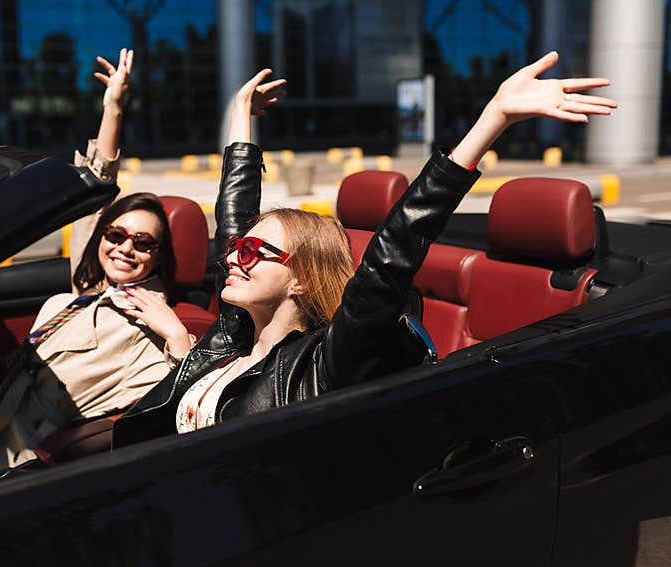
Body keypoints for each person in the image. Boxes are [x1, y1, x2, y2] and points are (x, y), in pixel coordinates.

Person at [112, 51, 617, 445]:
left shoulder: (324, 363)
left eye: (251, 254)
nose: (232, 260)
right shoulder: (233, 334)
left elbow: (390, 257)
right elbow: (233, 216)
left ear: (302, 279)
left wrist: (494, 118)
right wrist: (241, 116)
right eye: (236, 251)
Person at [0, 49, 194, 489]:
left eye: (143, 243)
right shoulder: (90, 283)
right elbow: (94, 187)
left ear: (158, 256)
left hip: (18, 454)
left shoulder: (150, 325)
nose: (125, 248)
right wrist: (112, 109)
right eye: (115, 235)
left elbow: (182, 400)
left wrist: (177, 338)